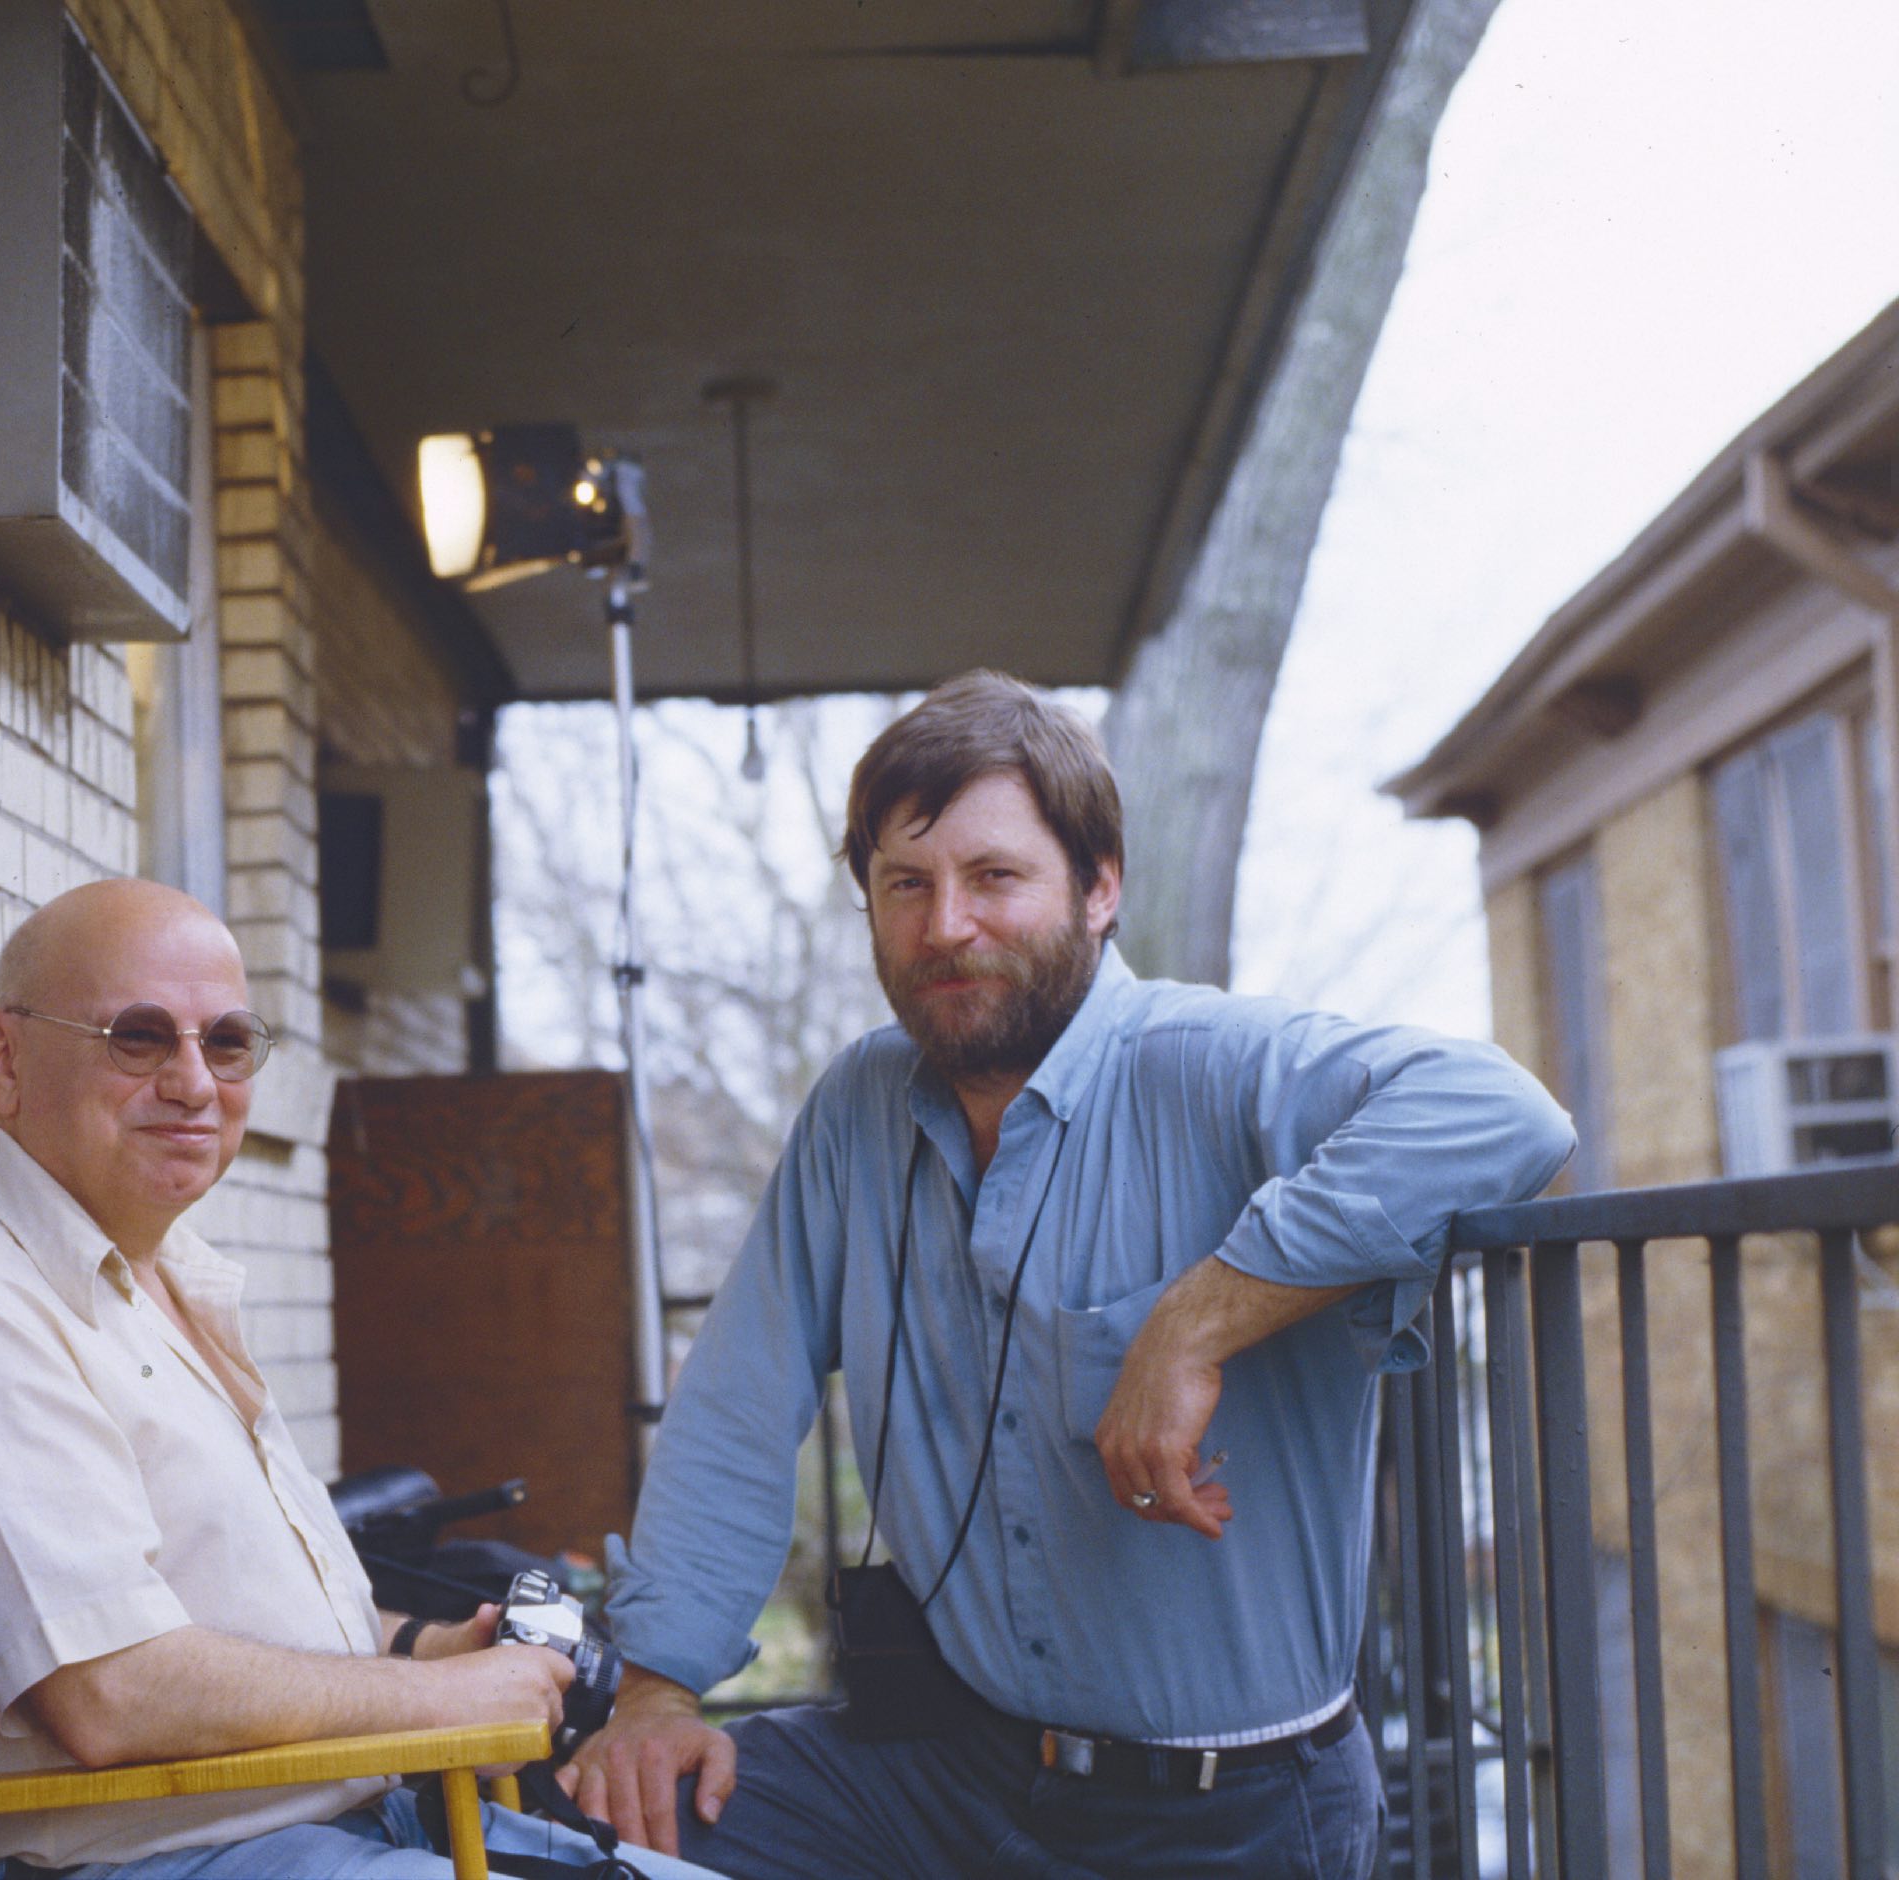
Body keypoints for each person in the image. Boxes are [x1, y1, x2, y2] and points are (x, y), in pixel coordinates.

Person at [560, 672, 1576, 1880]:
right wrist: (657, 1689)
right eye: (905, 883)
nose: (945, 926)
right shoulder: (856, 1108)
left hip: (1227, 1811)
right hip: (948, 1769)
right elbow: (737, 1401)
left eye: (993, 876)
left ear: (1098, 889)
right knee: (580, 1824)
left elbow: (1502, 1110)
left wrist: (1192, 1319)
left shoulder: (1204, 1060)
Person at [0, 879, 727, 1879]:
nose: (193, 1083)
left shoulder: (156, 1275)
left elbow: (246, 1630)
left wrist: (428, 1648)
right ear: (1, 1059)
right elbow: (110, 1690)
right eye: (138, 1037)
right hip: (185, 1859)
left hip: (360, 1819)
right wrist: (442, 1700)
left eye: (227, 1042)